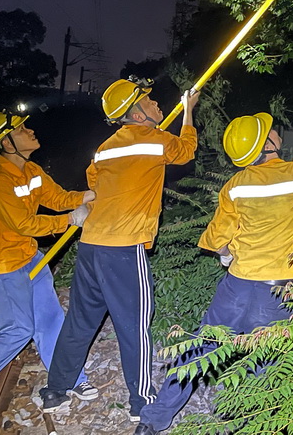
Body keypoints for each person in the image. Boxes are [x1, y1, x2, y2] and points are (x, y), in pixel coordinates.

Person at [133, 105, 293, 434]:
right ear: (267, 144)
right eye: (272, 130)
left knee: (198, 351)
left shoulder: (235, 185)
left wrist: (227, 255)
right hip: (280, 295)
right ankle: (248, 425)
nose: (277, 131)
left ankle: (152, 422)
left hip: (235, 287)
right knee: (266, 369)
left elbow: (214, 240)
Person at [40, 78, 199, 422]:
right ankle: (141, 401)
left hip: (92, 245)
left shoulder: (105, 147)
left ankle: (55, 389)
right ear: (138, 113)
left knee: (80, 320)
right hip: (124, 248)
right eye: (151, 101)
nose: (157, 105)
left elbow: (94, 182)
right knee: (135, 325)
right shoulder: (154, 140)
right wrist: (188, 112)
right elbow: (185, 151)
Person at [0, 110, 97, 418]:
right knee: (17, 329)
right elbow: (23, 223)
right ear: (5, 142)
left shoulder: (30, 171)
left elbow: (57, 198)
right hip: (1, 266)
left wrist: (91, 196)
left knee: (51, 321)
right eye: (21, 129)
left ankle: (69, 380)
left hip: (29, 259)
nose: (30, 131)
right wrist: (70, 220)